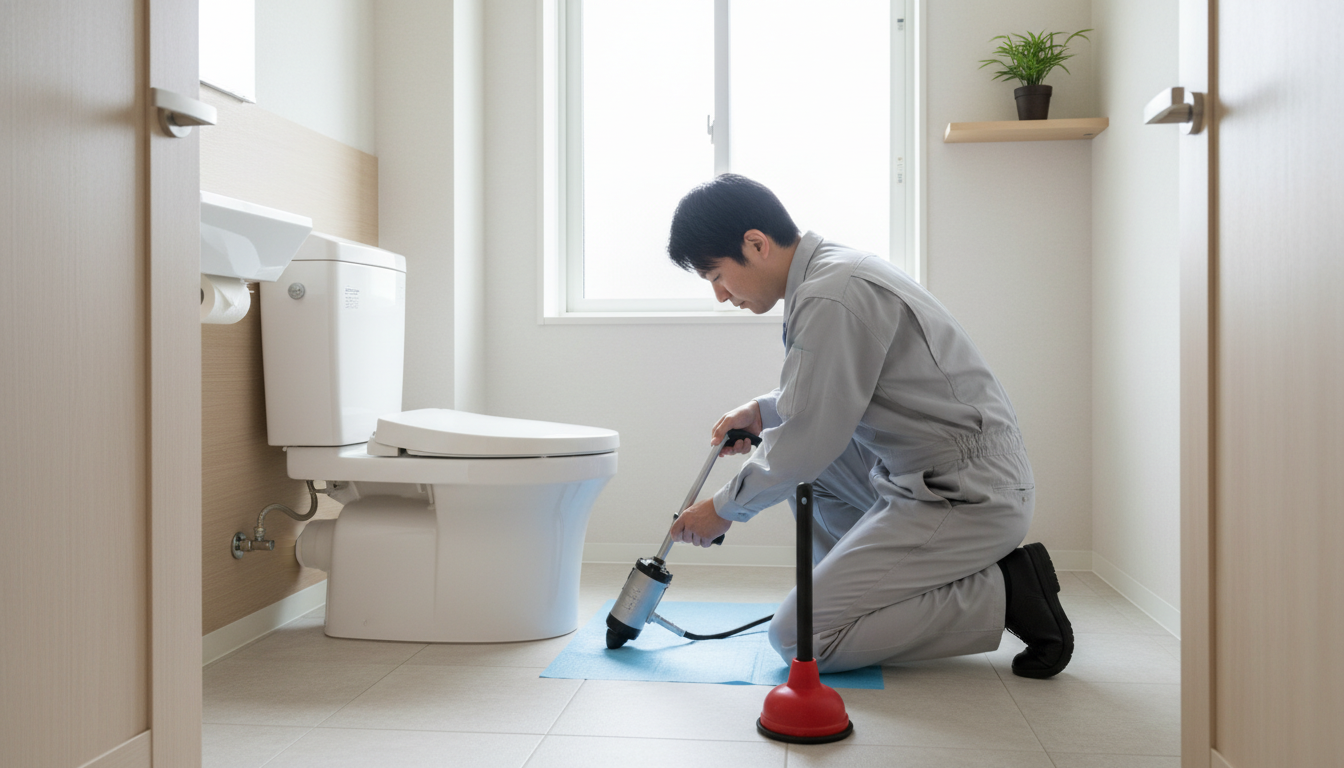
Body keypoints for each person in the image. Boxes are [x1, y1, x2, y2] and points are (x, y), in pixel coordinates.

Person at [665, 174, 1073, 678]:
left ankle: (1007, 590)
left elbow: (808, 438)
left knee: (798, 639)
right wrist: (762, 410)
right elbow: (830, 393)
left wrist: (724, 509)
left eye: (716, 276)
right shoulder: (831, 275)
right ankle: (855, 597)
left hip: (967, 495)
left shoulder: (831, 295)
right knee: (801, 474)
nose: (721, 296)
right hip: (933, 474)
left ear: (756, 244)